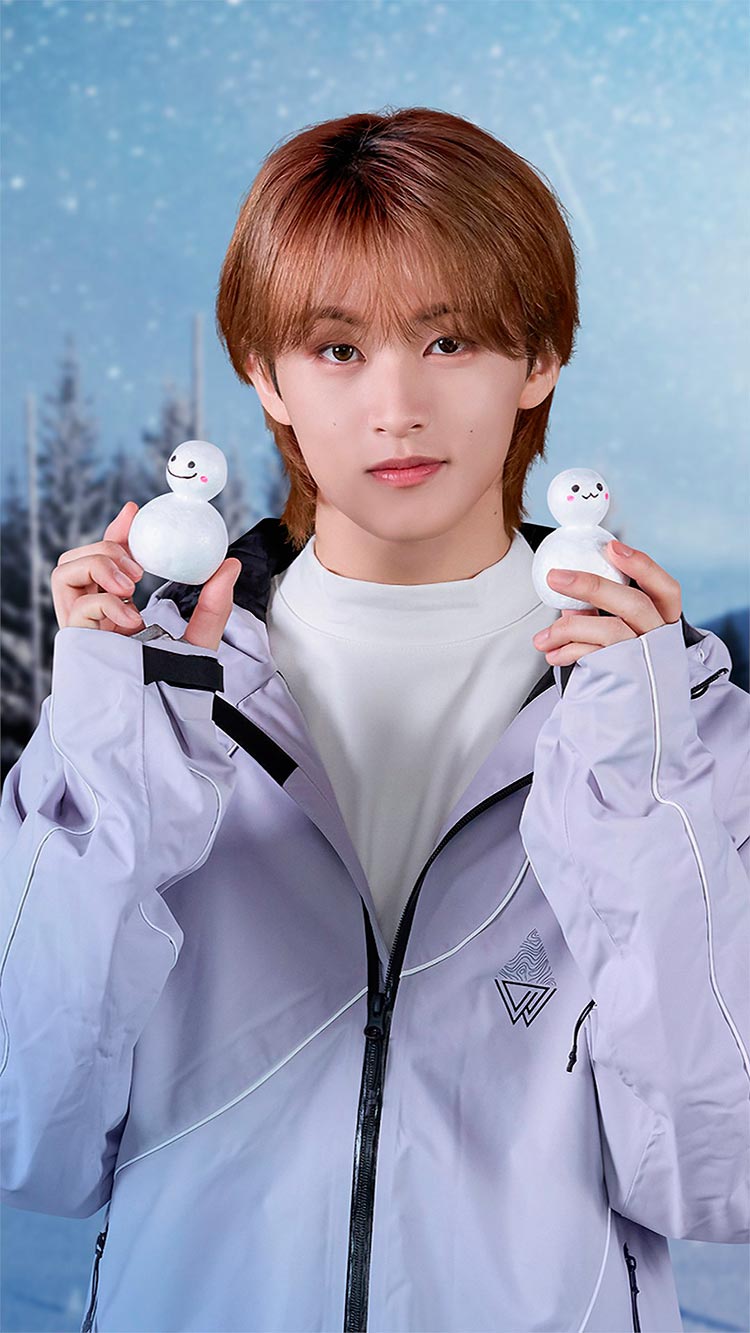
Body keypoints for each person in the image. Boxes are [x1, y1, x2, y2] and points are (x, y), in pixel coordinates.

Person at [1, 107, 748, 1333]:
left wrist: (641, 783)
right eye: (338, 348)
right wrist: (115, 758)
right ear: (266, 374)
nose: (397, 406)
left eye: (449, 340)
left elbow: (724, 1172)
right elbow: (28, 1133)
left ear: (540, 355)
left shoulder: (676, 725)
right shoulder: (146, 693)